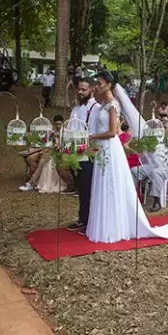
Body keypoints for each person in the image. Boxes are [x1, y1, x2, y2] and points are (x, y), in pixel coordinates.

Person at [84, 71, 168, 243]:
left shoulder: (113, 105)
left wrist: (92, 137)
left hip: (109, 147)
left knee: (110, 184)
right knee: (102, 183)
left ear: (108, 85)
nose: (97, 86)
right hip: (102, 148)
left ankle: (113, 225)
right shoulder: (102, 105)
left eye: (100, 83)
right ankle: (103, 223)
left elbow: (112, 132)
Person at [65, 78, 99, 234]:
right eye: (79, 89)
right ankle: (82, 218)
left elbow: (94, 132)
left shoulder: (96, 108)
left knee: (88, 190)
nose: (80, 92)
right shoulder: (76, 109)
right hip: (74, 153)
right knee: (80, 188)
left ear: (92, 90)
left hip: (88, 154)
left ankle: (90, 222)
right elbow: (71, 128)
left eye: (84, 89)